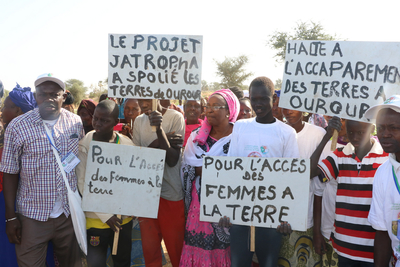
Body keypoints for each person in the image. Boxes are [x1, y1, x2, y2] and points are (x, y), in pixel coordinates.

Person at [0, 73, 84, 266]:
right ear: (36, 96)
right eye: (42, 94)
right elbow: (10, 172)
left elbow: (80, 161)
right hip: (31, 216)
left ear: (63, 97)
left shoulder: (75, 122)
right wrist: (10, 217)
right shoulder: (18, 126)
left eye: (54, 94)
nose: (48, 99)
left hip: (67, 214)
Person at [227, 76, 298, 267]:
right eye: (253, 99)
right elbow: (230, 170)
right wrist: (225, 210)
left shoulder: (287, 133)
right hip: (240, 214)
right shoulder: (240, 127)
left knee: (268, 263)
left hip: (271, 216)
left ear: (274, 99)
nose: (258, 104)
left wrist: (286, 217)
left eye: (263, 99)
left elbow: (291, 178)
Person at [310, 116, 388, 266]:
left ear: (372, 129)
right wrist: (327, 136)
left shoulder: (385, 157)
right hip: (344, 247)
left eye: (361, 132)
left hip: (374, 249)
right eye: (351, 132)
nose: (355, 137)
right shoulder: (339, 156)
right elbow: (311, 172)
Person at [180, 89, 240, 266]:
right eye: (208, 106)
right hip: (201, 204)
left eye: (216, 106)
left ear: (229, 111)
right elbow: (191, 167)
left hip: (232, 201)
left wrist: (208, 169)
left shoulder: (240, 137)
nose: (209, 110)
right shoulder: (196, 137)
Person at [76, 100, 133, 267]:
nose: (98, 124)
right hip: (95, 220)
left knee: (122, 261)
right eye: (96, 118)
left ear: (116, 122)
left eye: (105, 120)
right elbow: (82, 184)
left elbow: (135, 179)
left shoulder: (126, 144)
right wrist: (105, 215)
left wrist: (135, 205)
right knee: (96, 262)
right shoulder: (85, 146)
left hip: (123, 220)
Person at [132, 98, 185, 267]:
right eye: (140, 98)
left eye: (147, 98)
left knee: (176, 249)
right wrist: (162, 141)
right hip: (147, 194)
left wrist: (159, 128)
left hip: (171, 193)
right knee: (151, 251)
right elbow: (138, 157)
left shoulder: (175, 117)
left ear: (157, 95)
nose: (143, 103)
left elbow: (171, 160)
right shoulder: (139, 121)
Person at [278, 108, 327, 266]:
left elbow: (319, 182)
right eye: (286, 107)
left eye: (294, 107)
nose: (289, 111)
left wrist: (317, 230)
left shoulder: (318, 134)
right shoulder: (277, 132)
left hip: (307, 218)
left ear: (304, 109)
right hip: (279, 219)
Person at [0, 84, 38, 267]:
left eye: (6, 106)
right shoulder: (5, 131)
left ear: (18, 111)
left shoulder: (18, 135)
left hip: (14, 198)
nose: (2, 109)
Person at [366, 95, 400, 267]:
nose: (385, 134)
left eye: (393, 128)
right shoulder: (382, 173)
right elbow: (382, 232)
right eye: (380, 128)